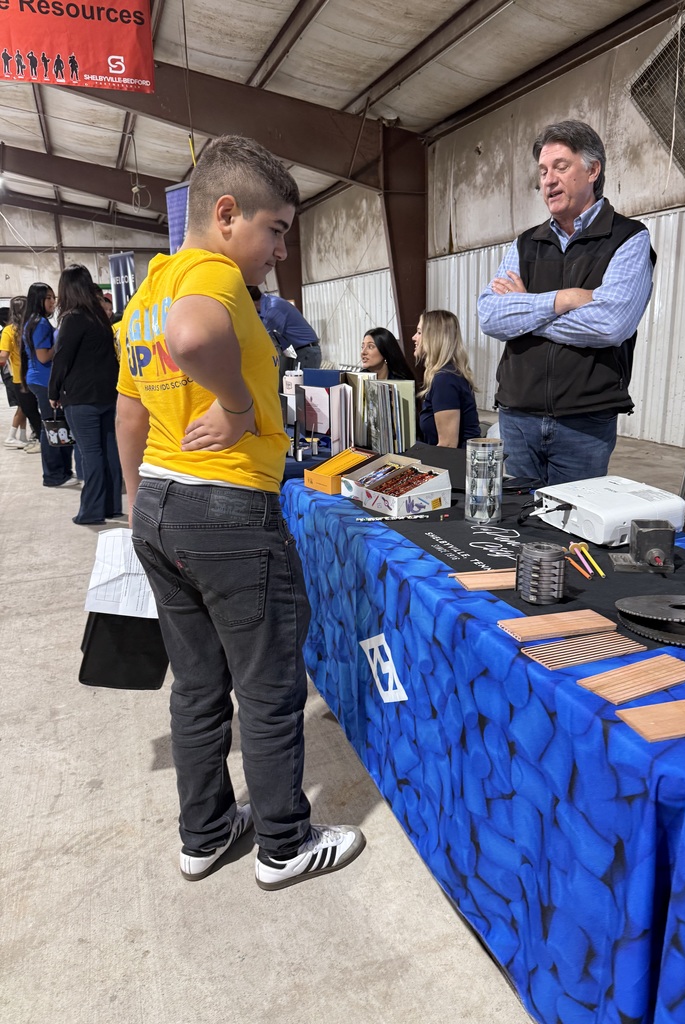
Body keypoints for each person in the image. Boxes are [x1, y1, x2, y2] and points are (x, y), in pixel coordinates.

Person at [115, 134, 365, 889]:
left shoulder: (149, 291)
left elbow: (129, 413)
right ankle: (285, 842)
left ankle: (205, 830)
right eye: (277, 229)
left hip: (162, 503)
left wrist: (136, 502)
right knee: (268, 686)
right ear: (227, 214)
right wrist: (236, 404)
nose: (279, 251)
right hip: (224, 509)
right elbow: (195, 339)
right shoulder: (211, 279)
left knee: (196, 685)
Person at [477, 119, 655, 485]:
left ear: (593, 170)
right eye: (542, 171)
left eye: (561, 167)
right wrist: (564, 299)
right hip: (517, 418)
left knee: (573, 534)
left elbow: (609, 325)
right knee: (512, 533)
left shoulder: (627, 238)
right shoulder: (525, 243)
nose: (548, 180)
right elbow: (490, 316)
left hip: (584, 422)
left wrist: (526, 307)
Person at [48, 266, 123, 525]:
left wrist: (53, 391)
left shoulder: (73, 318)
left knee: (90, 454)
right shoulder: (100, 316)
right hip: (107, 395)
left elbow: (62, 358)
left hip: (81, 398)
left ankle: (91, 512)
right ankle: (112, 507)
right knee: (110, 452)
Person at [21, 282, 76, 486]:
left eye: (54, 298)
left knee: (53, 427)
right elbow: (44, 357)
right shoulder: (40, 323)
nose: (53, 302)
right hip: (44, 381)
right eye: (48, 298)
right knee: (53, 427)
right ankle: (54, 475)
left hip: (40, 380)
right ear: (38, 300)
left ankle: (60, 472)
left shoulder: (34, 321)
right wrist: (63, 343)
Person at [414, 309, 480, 448]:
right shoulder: (447, 374)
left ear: (434, 337)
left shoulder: (445, 380)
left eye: (419, 332)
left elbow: (448, 445)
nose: (414, 337)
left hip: (456, 465)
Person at [251, 286, 322, 373]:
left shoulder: (272, 308)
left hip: (307, 352)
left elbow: (262, 337)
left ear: (251, 301)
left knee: (301, 385)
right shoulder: (267, 302)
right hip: (302, 351)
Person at [1, 298, 40, 449]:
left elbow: (4, 355)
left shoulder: (9, 330)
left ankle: (41, 439)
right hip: (37, 375)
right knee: (31, 409)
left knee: (30, 410)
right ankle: (30, 437)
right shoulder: (34, 327)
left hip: (19, 378)